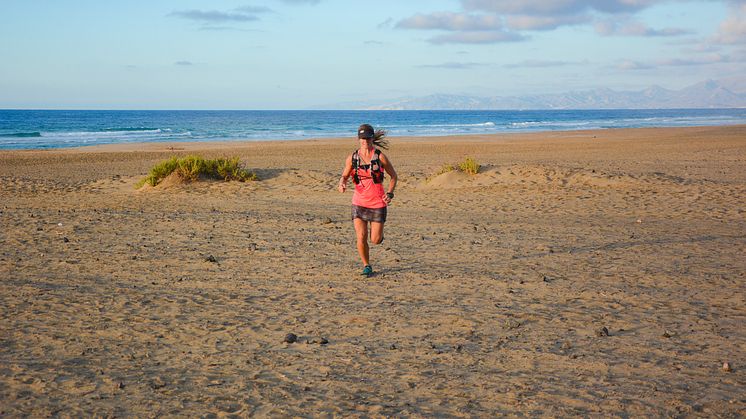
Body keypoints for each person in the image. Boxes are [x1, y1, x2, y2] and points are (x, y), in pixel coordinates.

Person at [338, 124, 398, 277]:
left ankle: (379, 235)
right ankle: (367, 265)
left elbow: (394, 177)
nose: (364, 141)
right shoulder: (353, 158)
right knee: (361, 236)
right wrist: (342, 182)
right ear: (358, 139)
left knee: (376, 240)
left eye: (367, 138)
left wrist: (390, 193)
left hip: (378, 203)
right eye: (362, 138)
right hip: (359, 203)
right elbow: (344, 175)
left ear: (372, 139)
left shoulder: (380, 156)